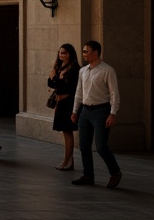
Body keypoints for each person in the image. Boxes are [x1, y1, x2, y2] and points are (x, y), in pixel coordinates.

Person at [71, 40, 122, 188]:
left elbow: (114, 94)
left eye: (86, 51)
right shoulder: (83, 71)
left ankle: (115, 172)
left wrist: (112, 113)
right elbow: (79, 92)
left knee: (100, 146)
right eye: (83, 51)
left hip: (101, 111)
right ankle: (88, 175)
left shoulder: (107, 70)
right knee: (84, 146)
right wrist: (75, 111)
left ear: (95, 53)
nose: (83, 54)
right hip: (85, 111)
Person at [48, 43, 80, 171]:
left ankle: (67, 161)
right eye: (60, 53)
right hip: (60, 103)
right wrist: (53, 74)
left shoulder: (75, 69)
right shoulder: (60, 67)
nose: (61, 55)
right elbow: (51, 84)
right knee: (65, 132)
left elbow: (72, 88)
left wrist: (57, 82)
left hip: (69, 103)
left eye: (64, 53)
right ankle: (69, 161)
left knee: (68, 132)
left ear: (70, 54)